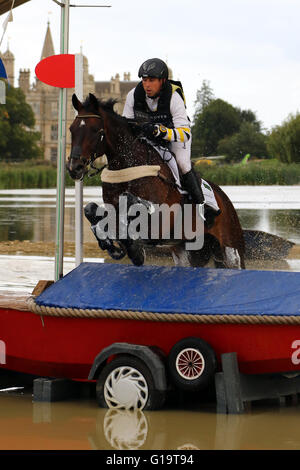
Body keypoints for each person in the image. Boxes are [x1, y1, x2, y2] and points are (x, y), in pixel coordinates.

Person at [122, 58, 220, 225]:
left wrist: (162, 131)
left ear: (163, 81)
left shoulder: (174, 97)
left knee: (182, 163)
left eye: (151, 80)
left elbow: (185, 134)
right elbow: (125, 127)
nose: (147, 85)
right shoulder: (133, 95)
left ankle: (202, 205)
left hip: (175, 137)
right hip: (149, 140)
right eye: (144, 80)